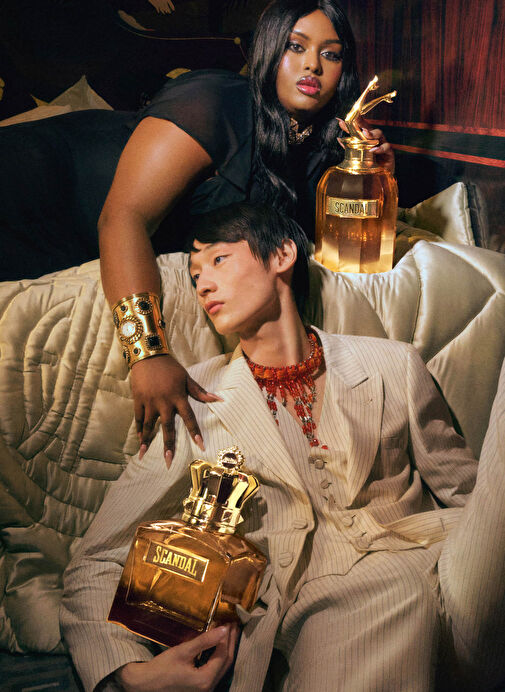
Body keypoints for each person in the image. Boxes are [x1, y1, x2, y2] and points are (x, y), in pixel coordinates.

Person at [60, 202, 505, 692]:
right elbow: (95, 562)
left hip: (453, 575)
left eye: (218, 260)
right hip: (321, 606)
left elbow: (475, 497)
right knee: (389, 588)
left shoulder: (392, 364)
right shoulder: (194, 403)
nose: (203, 284)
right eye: (194, 275)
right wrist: (126, 676)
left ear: (282, 256)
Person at [0, 0, 394, 466]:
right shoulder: (215, 101)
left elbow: (335, 242)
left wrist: (379, 176)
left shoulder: (320, 149)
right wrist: (147, 352)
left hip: (69, 237)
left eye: (330, 54)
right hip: (35, 188)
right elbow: (123, 218)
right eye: (295, 47)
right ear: (268, 51)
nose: (313, 65)